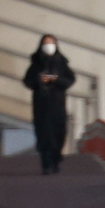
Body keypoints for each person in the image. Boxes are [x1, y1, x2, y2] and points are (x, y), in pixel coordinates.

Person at [23, 36, 76, 174]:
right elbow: (27, 81)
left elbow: (70, 80)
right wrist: (39, 80)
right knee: (44, 134)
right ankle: (46, 163)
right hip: (41, 105)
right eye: (46, 43)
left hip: (58, 104)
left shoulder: (62, 63)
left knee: (59, 132)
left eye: (51, 43)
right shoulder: (35, 64)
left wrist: (56, 79)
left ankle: (56, 157)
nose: (48, 46)